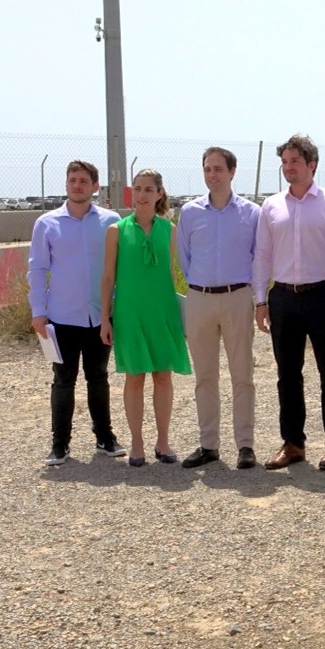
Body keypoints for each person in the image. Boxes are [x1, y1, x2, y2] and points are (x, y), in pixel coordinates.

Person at [252, 134, 325, 471]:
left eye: (295, 161)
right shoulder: (272, 205)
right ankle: (293, 443)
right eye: (284, 162)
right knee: (287, 375)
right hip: (283, 298)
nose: (288, 167)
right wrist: (260, 301)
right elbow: (262, 254)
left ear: (312, 165)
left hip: (324, 295)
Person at [28, 160, 125, 465]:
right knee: (62, 380)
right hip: (61, 318)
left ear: (95, 186)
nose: (77, 185)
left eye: (84, 181)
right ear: (67, 184)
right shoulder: (47, 223)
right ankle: (60, 445)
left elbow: (120, 268)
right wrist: (38, 312)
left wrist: (116, 309)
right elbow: (37, 269)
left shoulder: (111, 221)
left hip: (100, 317)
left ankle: (105, 439)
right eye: (72, 180)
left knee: (98, 378)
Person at [177, 147, 262, 470]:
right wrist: (199, 287)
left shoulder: (251, 213)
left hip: (237, 297)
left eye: (218, 169)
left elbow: (258, 258)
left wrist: (256, 299)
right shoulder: (190, 212)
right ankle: (208, 445)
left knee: (243, 374)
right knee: (205, 376)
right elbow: (184, 258)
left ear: (232, 172)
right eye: (207, 169)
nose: (212, 174)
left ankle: (245, 446)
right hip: (199, 299)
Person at [100, 168, 192, 467]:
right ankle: (136, 443)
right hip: (130, 312)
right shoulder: (117, 230)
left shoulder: (171, 230)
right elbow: (108, 276)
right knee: (135, 376)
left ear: (159, 194)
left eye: (148, 189)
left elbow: (174, 273)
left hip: (162, 311)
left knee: (163, 375)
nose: (141, 195)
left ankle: (163, 441)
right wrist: (105, 318)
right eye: (137, 188)